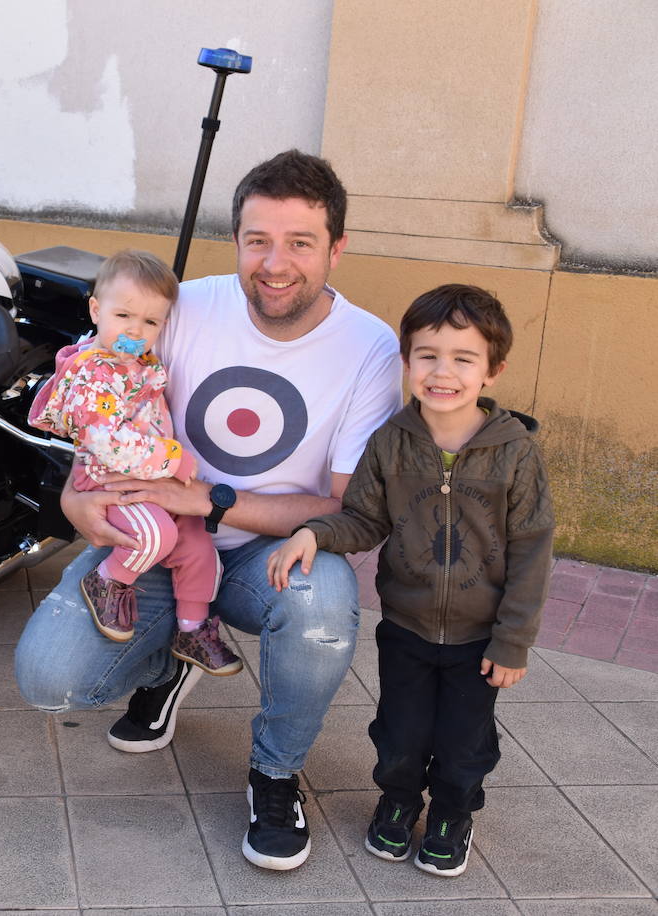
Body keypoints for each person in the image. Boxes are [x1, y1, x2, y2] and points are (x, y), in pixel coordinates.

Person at [14, 148, 403, 871]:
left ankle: (276, 773)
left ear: (337, 249)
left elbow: (347, 508)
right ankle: (178, 653)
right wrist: (75, 496)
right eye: (258, 240)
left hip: (263, 553)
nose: (275, 263)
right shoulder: (185, 305)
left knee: (325, 601)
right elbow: (101, 403)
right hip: (157, 540)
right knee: (50, 678)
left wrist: (211, 499)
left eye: (300, 243)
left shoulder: (370, 348)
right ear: (237, 241)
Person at [267, 284, 554, 877]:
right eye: (427, 355)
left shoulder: (516, 453)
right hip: (406, 626)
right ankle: (398, 801)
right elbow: (365, 518)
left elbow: (531, 549)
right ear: (407, 362)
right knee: (399, 733)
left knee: (462, 740)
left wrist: (513, 641)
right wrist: (315, 534)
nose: (442, 372)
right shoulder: (390, 441)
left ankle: (452, 812)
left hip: (480, 640)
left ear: (493, 370)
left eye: (463, 358)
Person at [28, 249, 239, 674]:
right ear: (95, 309)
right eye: (124, 316)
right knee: (155, 535)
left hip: (149, 484)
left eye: (150, 322)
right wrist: (171, 458)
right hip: (110, 482)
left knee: (198, 545)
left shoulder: (137, 364)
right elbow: (108, 442)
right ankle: (108, 580)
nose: (135, 331)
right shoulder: (92, 373)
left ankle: (192, 628)